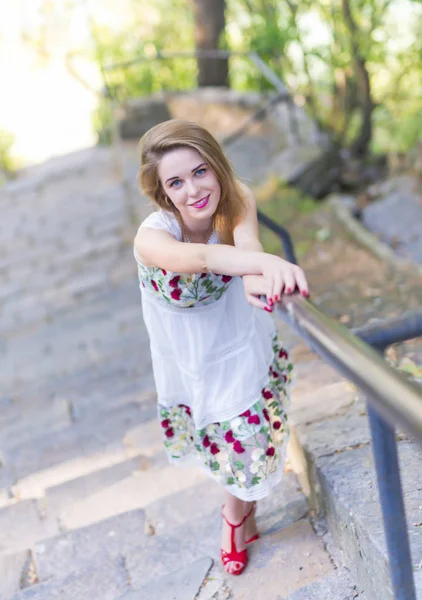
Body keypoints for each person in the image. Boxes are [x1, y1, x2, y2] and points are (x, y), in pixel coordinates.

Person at [133, 119, 309, 576]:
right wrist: (270, 262)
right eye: (176, 181)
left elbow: (244, 245)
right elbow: (207, 258)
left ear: (216, 165)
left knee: (245, 443)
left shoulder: (237, 199)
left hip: (235, 339)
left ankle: (233, 519)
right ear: (162, 191)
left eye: (200, 171)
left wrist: (258, 273)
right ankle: (239, 516)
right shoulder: (152, 237)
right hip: (187, 357)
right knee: (228, 445)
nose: (193, 189)